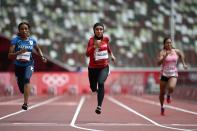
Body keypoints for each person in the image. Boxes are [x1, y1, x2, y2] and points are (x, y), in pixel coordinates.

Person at [8, 22, 47, 110]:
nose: (24, 30)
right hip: (18, 65)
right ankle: (23, 89)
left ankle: (25, 103)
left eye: (26, 28)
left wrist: (42, 57)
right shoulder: (15, 40)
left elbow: (38, 48)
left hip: (29, 64)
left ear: (28, 30)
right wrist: (19, 52)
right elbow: (9, 56)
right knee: (21, 87)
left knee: (26, 79)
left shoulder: (32, 40)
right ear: (19, 30)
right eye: (22, 29)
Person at [86, 23, 116, 114]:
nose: (99, 31)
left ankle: (99, 106)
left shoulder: (106, 39)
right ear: (94, 31)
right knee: (93, 88)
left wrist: (112, 55)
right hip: (92, 68)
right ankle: (97, 91)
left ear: (103, 30)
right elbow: (87, 54)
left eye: (101, 29)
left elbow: (108, 48)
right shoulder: (91, 41)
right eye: (97, 29)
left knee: (101, 82)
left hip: (104, 67)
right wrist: (95, 46)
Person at [157, 37, 188, 116]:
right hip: (164, 74)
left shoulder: (176, 51)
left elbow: (181, 55)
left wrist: (184, 63)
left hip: (173, 73)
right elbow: (158, 63)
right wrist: (164, 56)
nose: (169, 44)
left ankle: (169, 95)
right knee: (161, 93)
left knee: (171, 87)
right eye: (167, 43)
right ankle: (162, 106)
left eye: (170, 42)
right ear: (164, 44)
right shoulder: (162, 52)